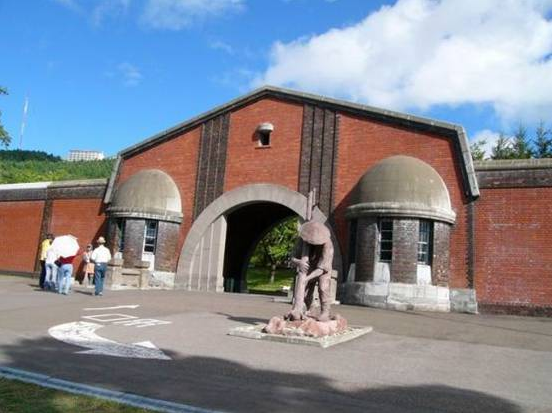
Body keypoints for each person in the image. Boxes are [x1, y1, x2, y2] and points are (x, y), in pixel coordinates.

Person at [286, 221, 334, 322]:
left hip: (323, 270)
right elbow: (292, 257)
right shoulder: (302, 241)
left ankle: (325, 312)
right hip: (309, 267)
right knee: (307, 291)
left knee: (323, 288)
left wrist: (307, 279)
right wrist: (299, 262)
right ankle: (308, 309)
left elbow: (321, 269)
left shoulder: (328, 245)